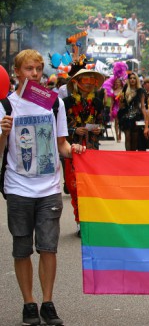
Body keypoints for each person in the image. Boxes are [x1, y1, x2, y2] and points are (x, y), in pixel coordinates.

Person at [1, 49, 85, 326]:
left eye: (38, 69)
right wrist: (3, 132)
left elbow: (61, 144)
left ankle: (48, 302)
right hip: (18, 189)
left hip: (48, 188)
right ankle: (29, 303)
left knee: (48, 248)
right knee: (22, 249)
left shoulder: (53, 104)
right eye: (28, 69)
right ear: (16, 72)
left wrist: (74, 150)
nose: (35, 74)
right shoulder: (6, 106)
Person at [63, 67, 105, 234]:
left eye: (92, 81)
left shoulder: (98, 103)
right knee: (75, 186)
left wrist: (98, 129)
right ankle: (80, 220)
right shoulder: (66, 103)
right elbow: (59, 128)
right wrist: (74, 131)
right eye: (85, 80)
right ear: (77, 82)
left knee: (92, 185)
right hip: (72, 148)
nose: (89, 84)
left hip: (92, 148)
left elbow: (101, 123)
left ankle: (90, 221)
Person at [118, 73, 146, 151]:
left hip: (137, 117)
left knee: (135, 139)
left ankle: (132, 156)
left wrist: (146, 120)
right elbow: (121, 106)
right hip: (126, 117)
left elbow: (143, 107)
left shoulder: (141, 91)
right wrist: (121, 100)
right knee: (127, 137)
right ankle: (128, 155)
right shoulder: (124, 90)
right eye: (130, 78)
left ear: (136, 80)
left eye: (134, 78)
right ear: (128, 80)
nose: (132, 80)